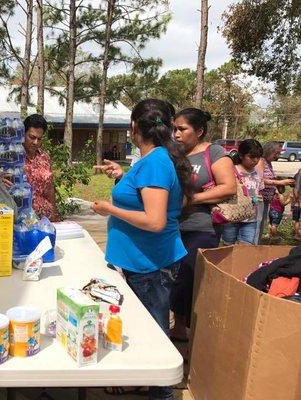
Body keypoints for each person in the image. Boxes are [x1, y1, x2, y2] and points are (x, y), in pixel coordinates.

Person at [93, 99, 194, 400]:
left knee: (155, 333)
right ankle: (144, 380)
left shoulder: (155, 163)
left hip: (150, 264)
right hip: (141, 261)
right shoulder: (154, 161)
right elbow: (147, 198)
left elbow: (154, 220)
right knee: (144, 325)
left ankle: (162, 391)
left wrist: (109, 208)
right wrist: (123, 177)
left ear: (135, 127)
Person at [170, 108, 236, 341]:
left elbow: (228, 187)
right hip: (173, 226)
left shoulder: (214, 152)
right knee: (176, 278)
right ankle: (179, 327)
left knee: (190, 276)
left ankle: (196, 330)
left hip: (202, 227)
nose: (176, 134)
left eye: (182, 129)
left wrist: (193, 199)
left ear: (199, 131)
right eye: (174, 129)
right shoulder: (176, 154)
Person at [222, 139, 264, 245]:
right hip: (232, 216)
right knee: (228, 247)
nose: (255, 160)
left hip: (250, 218)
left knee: (246, 248)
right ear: (241, 155)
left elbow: (258, 190)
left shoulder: (257, 173)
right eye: (251, 157)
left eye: (258, 157)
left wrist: (258, 197)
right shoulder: (231, 170)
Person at [23, 113, 59, 221]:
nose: (35, 142)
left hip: (45, 217)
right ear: (23, 133)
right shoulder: (14, 158)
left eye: (39, 139)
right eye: (32, 137)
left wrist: (54, 214)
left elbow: (50, 188)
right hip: (22, 219)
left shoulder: (45, 157)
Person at [256, 141, 295, 242]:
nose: (277, 156)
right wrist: (280, 182)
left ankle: (257, 243)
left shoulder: (269, 163)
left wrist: (282, 181)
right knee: (257, 223)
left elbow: (269, 178)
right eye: (276, 153)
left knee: (262, 223)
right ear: (269, 151)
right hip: (259, 199)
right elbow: (259, 179)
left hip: (266, 200)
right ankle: (252, 245)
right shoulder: (261, 161)